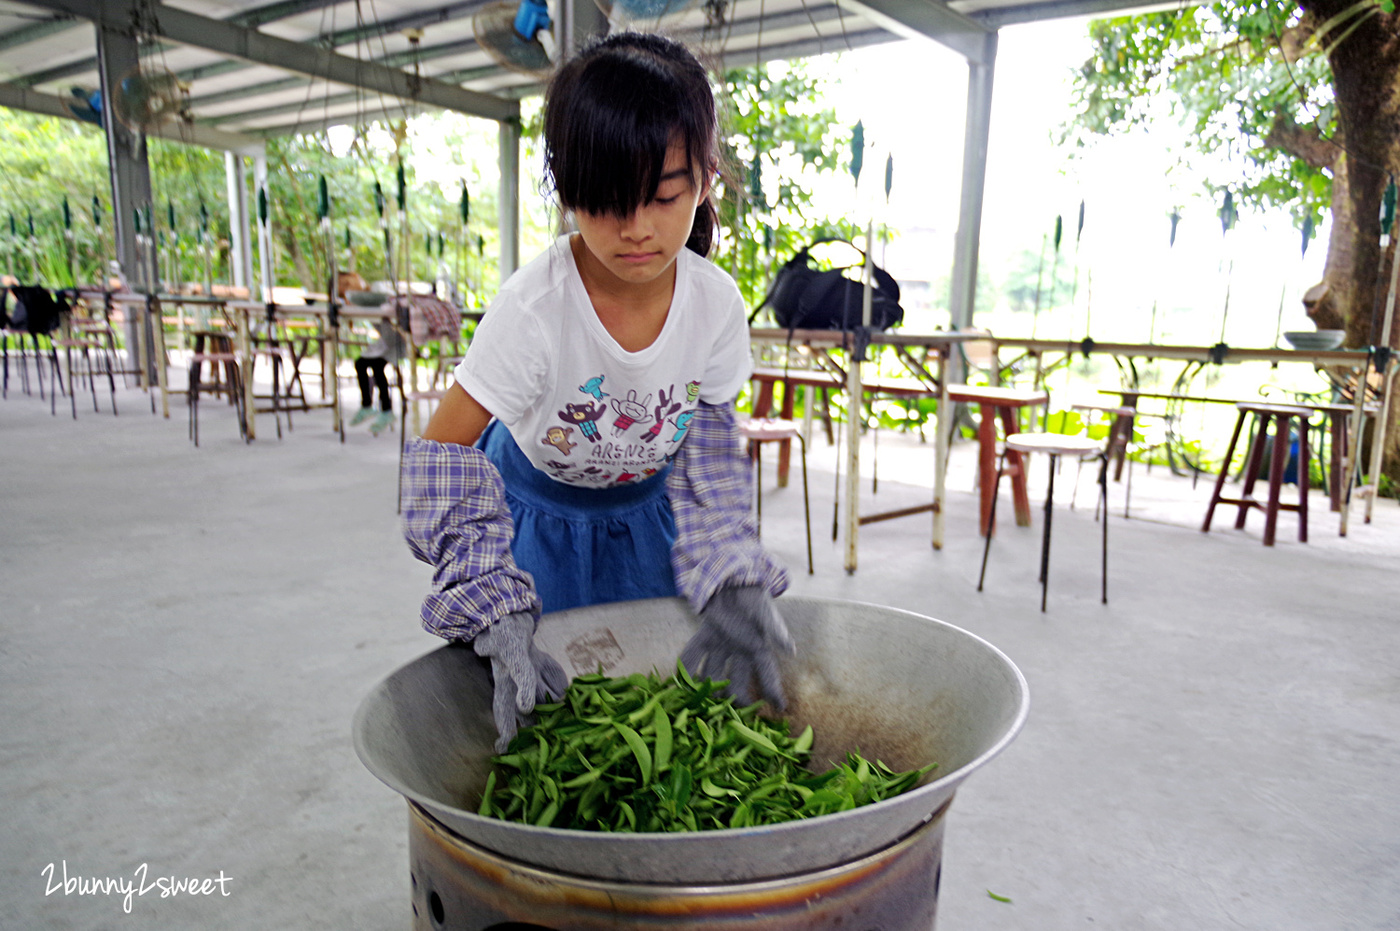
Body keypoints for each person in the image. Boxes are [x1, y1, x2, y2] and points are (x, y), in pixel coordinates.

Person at [399, 32, 792, 751]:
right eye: (606, 200)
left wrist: (732, 570)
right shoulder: (533, 309)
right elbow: (441, 455)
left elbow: (707, 448)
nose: (637, 228)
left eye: (664, 195)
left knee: (658, 713)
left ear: (705, 179)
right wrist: (489, 599)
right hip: (534, 525)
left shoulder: (716, 305)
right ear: (565, 183)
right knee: (549, 720)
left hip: (648, 519)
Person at [351, 314, 406, 436]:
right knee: (360, 363)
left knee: (377, 366)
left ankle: (386, 410)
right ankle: (367, 405)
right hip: (387, 341)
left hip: (399, 342)